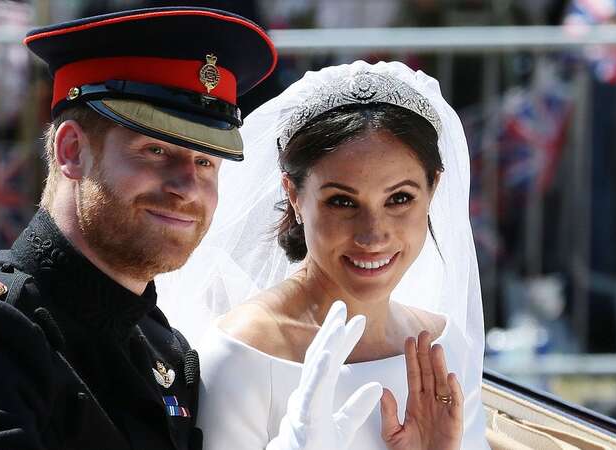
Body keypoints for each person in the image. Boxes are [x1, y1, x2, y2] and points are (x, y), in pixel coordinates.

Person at [0, 7, 277, 449]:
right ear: (72, 149)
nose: (188, 186)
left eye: (206, 161)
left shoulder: (161, 346)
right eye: (156, 150)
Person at [157, 60, 490, 449]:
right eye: (342, 202)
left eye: (399, 198)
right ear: (294, 195)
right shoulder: (243, 353)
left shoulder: (442, 347)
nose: (373, 234)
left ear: (432, 189)